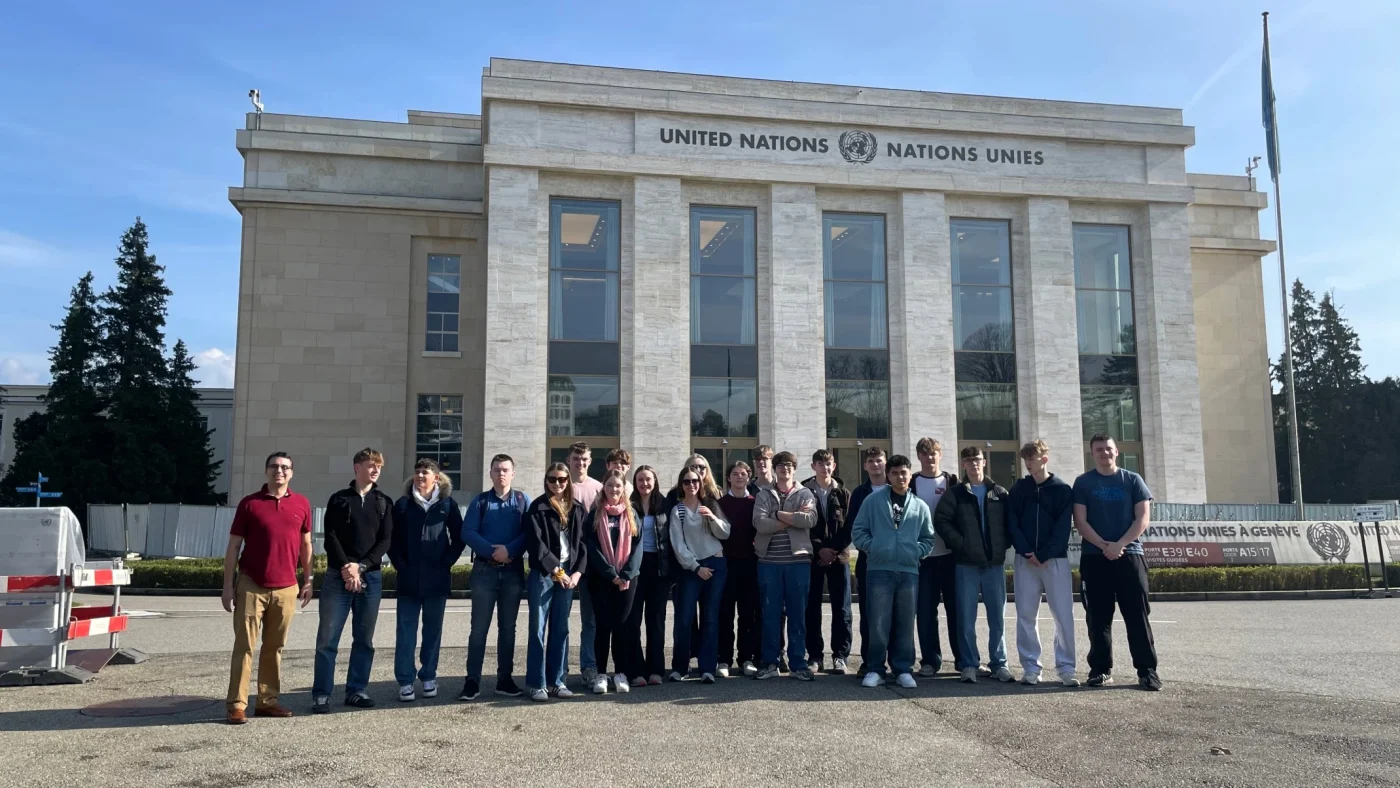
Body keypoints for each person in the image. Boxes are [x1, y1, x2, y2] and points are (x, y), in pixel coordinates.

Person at [221, 452, 313, 724]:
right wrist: (228, 586)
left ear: (292, 473)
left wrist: (308, 580)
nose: (279, 471)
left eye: (285, 467)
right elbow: (234, 546)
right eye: (274, 466)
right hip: (251, 584)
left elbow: (307, 545)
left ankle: (267, 701)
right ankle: (237, 704)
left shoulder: (301, 504)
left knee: (275, 647)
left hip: (287, 587)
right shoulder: (250, 504)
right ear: (266, 471)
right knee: (244, 646)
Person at [1074, 434, 1160, 691]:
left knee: (1137, 615)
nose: (1104, 453)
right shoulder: (1083, 482)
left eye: (1108, 449)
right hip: (1094, 557)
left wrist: (1120, 544)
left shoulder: (1133, 480)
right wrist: (1104, 546)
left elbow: (1142, 519)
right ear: (1092, 453)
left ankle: (1147, 671)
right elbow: (1080, 522)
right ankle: (1100, 670)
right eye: (1099, 450)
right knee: (1098, 618)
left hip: (1130, 555)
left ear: (1116, 451)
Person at [312, 448, 394, 713]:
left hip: (370, 577)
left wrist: (361, 566)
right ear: (356, 468)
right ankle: (322, 693)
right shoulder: (339, 499)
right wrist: (348, 568)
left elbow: (385, 541)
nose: (375, 470)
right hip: (339, 577)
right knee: (327, 639)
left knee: (364, 639)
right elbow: (331, 536)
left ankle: (356, 690)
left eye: (378, 466)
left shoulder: (384, 502)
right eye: (370, 465)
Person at [852, 454, 935, 689]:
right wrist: (874, 547)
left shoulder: (919, 505)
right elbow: (858, 531)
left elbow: (928, 538)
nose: (900, 476)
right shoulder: (873, 501)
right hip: (879, 569)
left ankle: (902, 668)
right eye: (895, 472)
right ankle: (875, 668)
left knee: (905, 623)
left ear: (910, 475)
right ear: (888, 475)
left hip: (909, 571)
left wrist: (915, 552)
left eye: (904, 472)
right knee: (878, 622)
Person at [934, 446, 1014, 683]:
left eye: (977, 459)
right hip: (966, 564)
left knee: (997, 617)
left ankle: (999, 663)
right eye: (968, 460)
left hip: (993, 564)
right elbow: (942, 520)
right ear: (963, 464)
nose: (974, 464)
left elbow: (1011, 523)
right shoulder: (955, 493)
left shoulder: (999, 493)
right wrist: (961, 544)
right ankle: (969, 664)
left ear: (984, 462)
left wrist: (1003, 545)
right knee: (966, 617)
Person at [389, 458, 466, 703]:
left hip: (437, 580)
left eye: (426, 472)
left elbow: (459, 537)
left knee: (432, 632)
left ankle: (429, 676)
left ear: (437, 478)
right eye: (418, 472)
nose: (421, 476)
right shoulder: (402, 505)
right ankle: (405, 681)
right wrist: (401, 567)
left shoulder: (447, 504)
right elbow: (392, 541)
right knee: (406, 633)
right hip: (409, 580)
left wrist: (446, 563)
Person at [460, 454, 531, 700]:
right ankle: (472, 680)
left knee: (508, 629)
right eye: (496, 470)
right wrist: (494, 552)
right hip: (484, 572)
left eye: (505, 470)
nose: (501, 474)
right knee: (478, 629)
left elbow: (529, 532)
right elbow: (467, 532)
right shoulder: (480, 502)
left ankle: (505, 679)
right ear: (490, 473)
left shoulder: (522, 500)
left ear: (513, 473)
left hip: (512, 573)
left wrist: (509, 551)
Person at [1008, 440, 1078, 688]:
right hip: (1025, 560)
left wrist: (1045, 553)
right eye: (1026, 459)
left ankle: (1067, 668)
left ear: (1044, 459)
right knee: (1026, 615)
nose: (1028, 463)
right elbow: (1012, 522)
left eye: (1033, 458)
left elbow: (1063, 527)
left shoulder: (1062, 489)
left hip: (1055, 560)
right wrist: (1027, 551)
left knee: (1063, 615)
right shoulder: (1019, 488)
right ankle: (1030, 667)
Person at [524, 463, 589, 701]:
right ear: (546, 480)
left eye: (562, 479)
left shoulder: (577, 508)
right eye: (552, 479)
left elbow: (582, 545)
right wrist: (556, 571)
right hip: (544, 576)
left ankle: (557, 681)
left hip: (568, 576)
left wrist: (576, 574)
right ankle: (536, 683)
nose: (557, 483)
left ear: (568, 481)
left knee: (561, 629)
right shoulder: (537, 507)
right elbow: (536, 544)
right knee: (537, 630)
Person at [753, 451, 818, 681]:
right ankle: (770, 663)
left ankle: (798, 663)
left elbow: (809, 519)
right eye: (780, 465)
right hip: (769, 562)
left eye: (789, 465)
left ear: (794, 468)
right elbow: (759, 523)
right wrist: (791, 518)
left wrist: (778, 515)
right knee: (770, 614)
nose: (785, 469)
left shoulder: (805, 493)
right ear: (775, 468)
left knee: (797, 615)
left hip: (798, 562)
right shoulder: (763, 494)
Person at [582, 470, 645, 693]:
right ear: (603, 488)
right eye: (610, 485)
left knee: (621, 627)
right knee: (602, 627)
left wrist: (626, 574)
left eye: (618, 486)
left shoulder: (632, 514)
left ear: (623, 489)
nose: (614, 490)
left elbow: (638, 548)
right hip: (601, 580)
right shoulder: (594, 515)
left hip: (627, 581)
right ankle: (601, 674)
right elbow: (591, 548)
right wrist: (610, 573)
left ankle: (621, 673)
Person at [669, 465, 731, 683]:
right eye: (686, 481)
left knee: (710, 617)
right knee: (684, 618)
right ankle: (680, 666)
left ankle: (707, 667)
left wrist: (712, 517)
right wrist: (696, 567)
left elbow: (725, 533)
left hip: (715, 563)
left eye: (695, 481)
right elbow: (678, 545)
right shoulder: (678, 510)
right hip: (691, 568)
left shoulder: (711, 505)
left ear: (701, 483)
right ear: (681, 485)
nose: (691, 485)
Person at [911, 438, 961, 677]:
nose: (930, 458)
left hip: (951, 556)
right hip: (923, 559)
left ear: (940, 455)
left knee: (956, 610)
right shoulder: (911, 483)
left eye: (934, 454)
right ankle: (930, 660)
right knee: (926, 611)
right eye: (925, 454)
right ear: (919, 457)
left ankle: (964, 660)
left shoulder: (952, 482)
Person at [803, 449, 852, 674]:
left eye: (829, 463)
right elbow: (801, 525)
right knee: (811, 608)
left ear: (834, 465)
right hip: (812, 558)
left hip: (838, 558)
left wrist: (833, 550)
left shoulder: (843, 493)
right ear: (813, 466)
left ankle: (840, 656)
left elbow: (850, 526)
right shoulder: (803, 491)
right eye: (820, 464)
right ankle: (814, 656)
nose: (825, 467)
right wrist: (819, 549)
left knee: (841, 609)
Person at [627, 466, 672, 685]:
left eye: (648, 479)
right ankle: (636, 670)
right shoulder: (628, 505)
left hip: (659, 567)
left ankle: (656, 669)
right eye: (640, 480)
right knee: (633, 619)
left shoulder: (665, 505)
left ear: (655, 481)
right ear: (635, 482)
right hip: (635, 566)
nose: (644, 483)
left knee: (656, 620)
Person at [718, 461, 761, 678]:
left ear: (749, 477)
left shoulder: (756, 503)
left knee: (747, 615)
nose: (739, 477)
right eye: (735, 474)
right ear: (728, 478)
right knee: (724, 614)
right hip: (726, 565)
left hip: (749, 565)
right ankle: (723, 659)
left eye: (743, 474)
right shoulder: (720, 503)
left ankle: (746, 658)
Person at [566, 441, 603, 686]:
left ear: (590, 462)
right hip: (564, 562)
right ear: (569, 460)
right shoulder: (560, 485)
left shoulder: (599, 489)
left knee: (590, 620)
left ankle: (589, 667)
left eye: (585, 459)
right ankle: (557, 668)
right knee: (560, 620)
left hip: (591, 563)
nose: (580, 463)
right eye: (576, 459)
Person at [849, 446, 888, 674]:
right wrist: (872, 547)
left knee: (894, 615)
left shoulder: (899, 489)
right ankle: (869, 662)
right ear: (865, 466)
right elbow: (855, 527)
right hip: (868, 561)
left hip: (896, 562)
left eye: (879, 460)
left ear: (886, 463)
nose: (875, 465)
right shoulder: (859, 493)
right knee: (868, 614)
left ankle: (895, 662)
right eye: (871, 461)